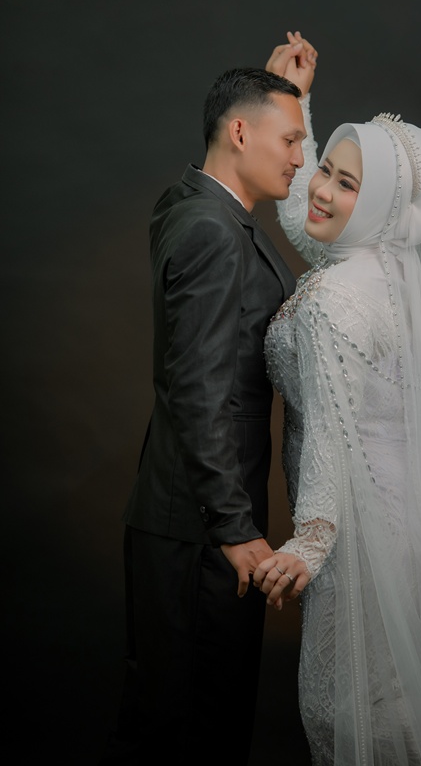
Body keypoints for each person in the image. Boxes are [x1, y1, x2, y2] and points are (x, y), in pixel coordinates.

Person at [252, 35, 421, 764]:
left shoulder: (334, 300)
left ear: (378, 207)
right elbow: (309, 219)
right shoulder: (382, 263)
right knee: (384, 703)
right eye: (327, 171)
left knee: (345, 711)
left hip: (362, 525)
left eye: (347, 185)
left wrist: (311, 541)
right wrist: (299, 105)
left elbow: (332, 432)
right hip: (411, 516)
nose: (321, 190)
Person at [99, 50, 318, 764]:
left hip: (186, 515)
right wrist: (232, 526)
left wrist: (286, 99)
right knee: (193, 726)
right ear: (239, 133)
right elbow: (196, 389)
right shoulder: (211, 231)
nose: (300, 159)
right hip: (200, 529)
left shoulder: (191, 202)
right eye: (291, 140)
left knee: (184, 714)